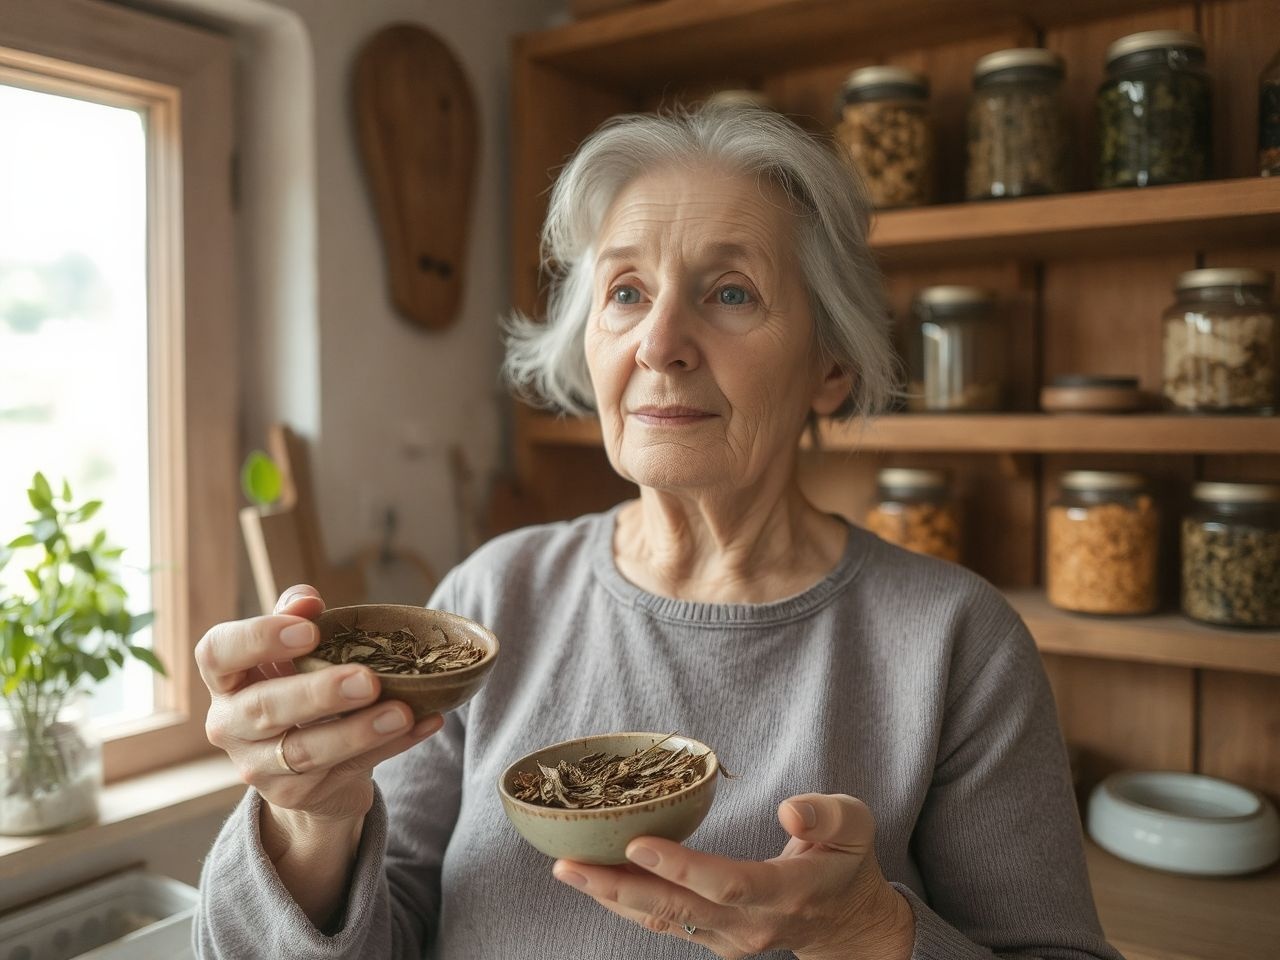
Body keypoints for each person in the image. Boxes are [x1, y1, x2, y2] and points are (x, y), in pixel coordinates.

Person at [193, 104, 1125, 960]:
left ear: (831, 368)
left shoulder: (955, 642)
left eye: (730, 293)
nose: (659, 342)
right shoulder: (488, 601)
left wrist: (870, 930)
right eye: (627, 292)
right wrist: (310, 821)